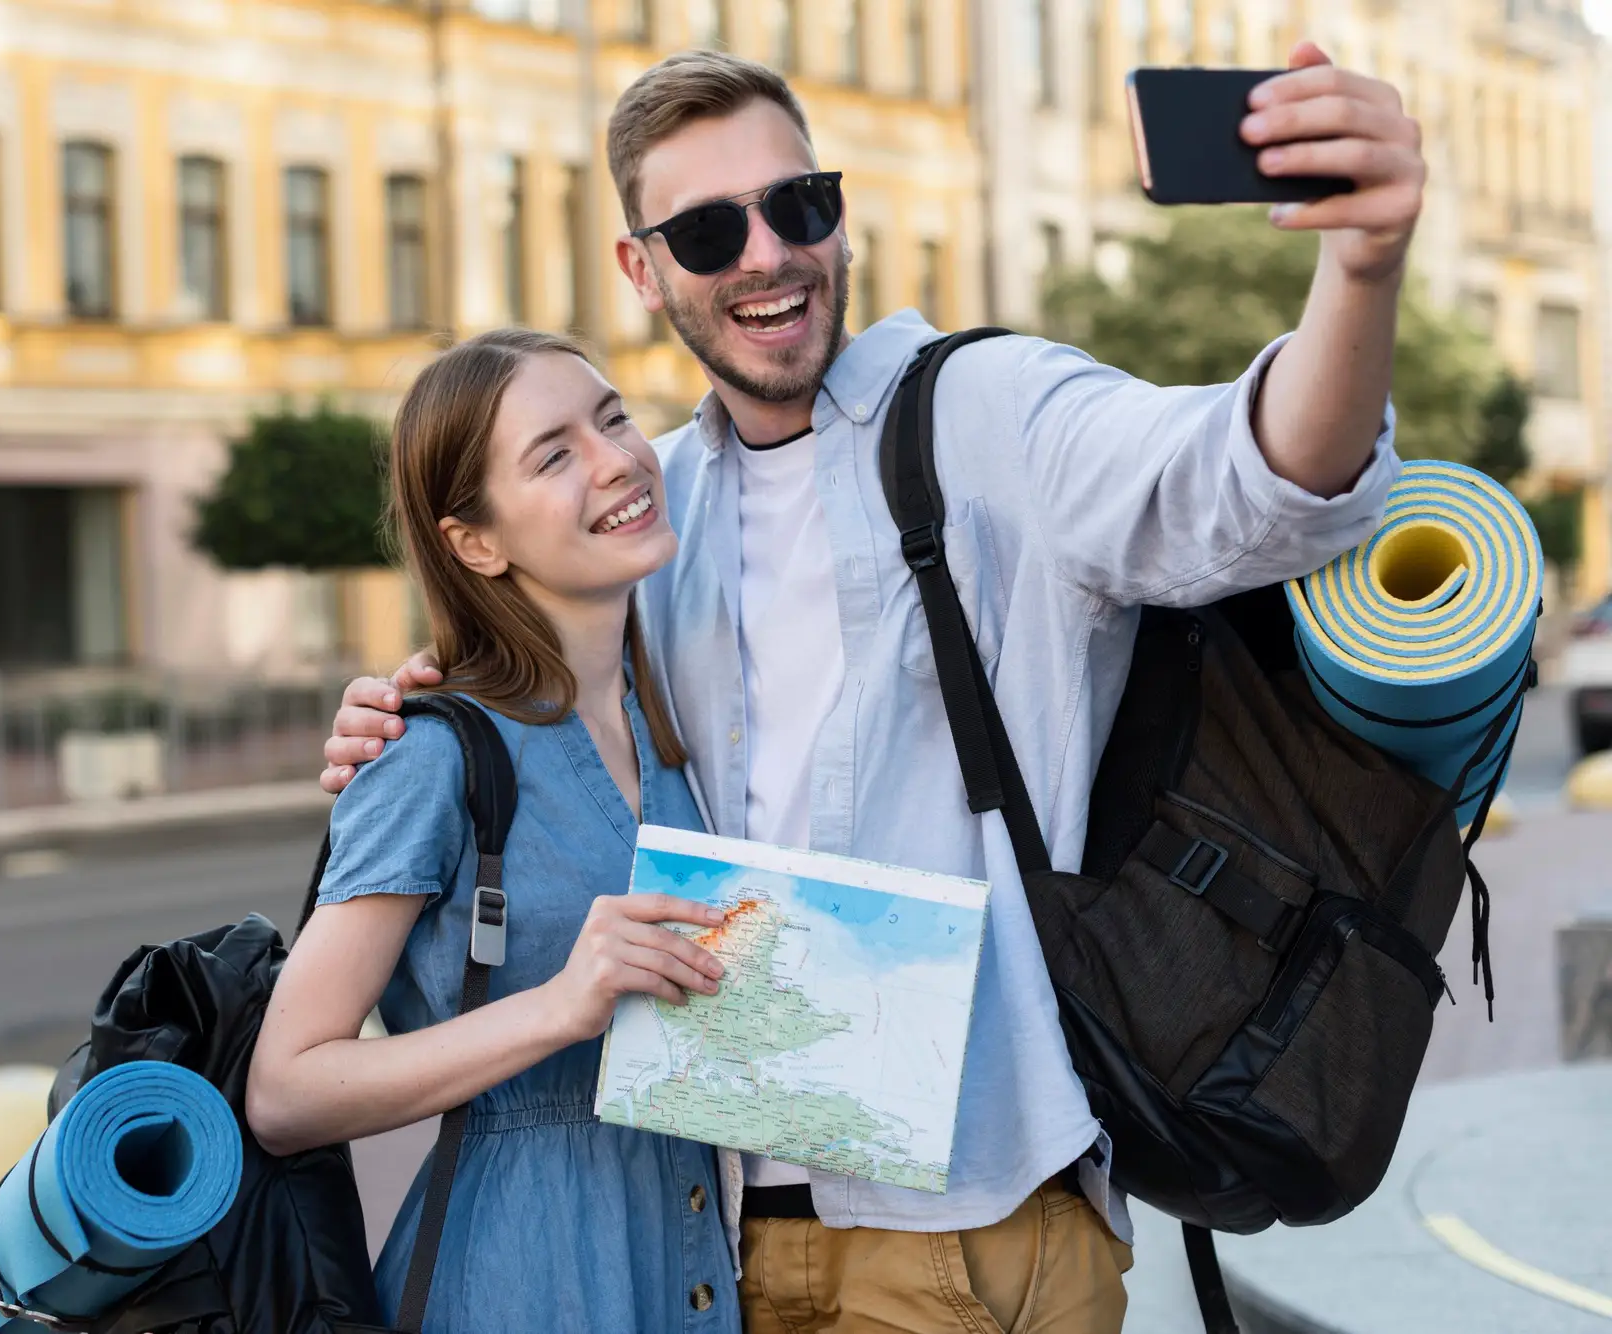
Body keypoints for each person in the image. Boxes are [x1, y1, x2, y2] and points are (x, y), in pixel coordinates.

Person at [322, 41, 1426, 1334]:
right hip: (757, 1231)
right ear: (642, 265)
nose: (766, 253)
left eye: (799, 205)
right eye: (707, 226)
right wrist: (402, 722)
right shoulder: (649, 513)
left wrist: (1362, 266)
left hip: (993, 1216)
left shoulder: (984, 412)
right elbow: (532, 707)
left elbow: (1251, 482)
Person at [244, 328, 742, 1333]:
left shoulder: (676, 723)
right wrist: (562, 1005)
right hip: (517, 1276)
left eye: (610, 418)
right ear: (476, 540)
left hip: (688, 1264)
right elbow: (284, 1086)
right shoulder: (429, 754)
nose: (614, 459)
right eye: (553, 454)